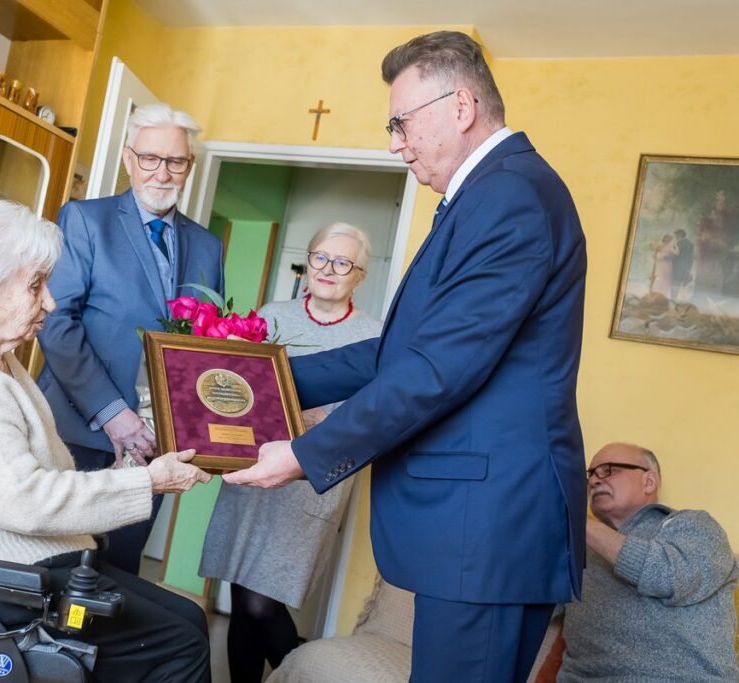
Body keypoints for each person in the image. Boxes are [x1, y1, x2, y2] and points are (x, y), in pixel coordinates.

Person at [226, 30, 588, 683]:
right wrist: (256, 381)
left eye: (401, 122)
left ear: (460, 106)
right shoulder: (486, 196)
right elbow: (400, 353)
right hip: (476, 528)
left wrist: (306, 455)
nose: (394, 143)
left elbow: (437, 370)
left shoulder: (510, 196)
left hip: (487, 526)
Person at [0, 200, 213, 683]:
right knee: (179, 643)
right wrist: (148, 483)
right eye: (36, 285)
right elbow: (24, 500)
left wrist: (129, 471)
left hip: (33, 562)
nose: (52, 303)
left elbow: (38, 478)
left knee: (189, 621)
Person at [37, 102, 224, 575]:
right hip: (77, 433)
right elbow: (57, 324)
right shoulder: (85, 220)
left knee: (120, 576)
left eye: (175, 161)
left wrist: (181, 428)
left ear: (189, 167)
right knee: (56, 569)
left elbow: (204, 348)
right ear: (128, 159)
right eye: (150, 159)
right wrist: (114, 414)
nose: (162, 173)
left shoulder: (208, 246)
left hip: (154, 450)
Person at [200, 223, 382, 681]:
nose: (328, 269)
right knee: (243, 600)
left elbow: (371, 420)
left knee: (263, 603)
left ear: (359, 275)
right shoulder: (269, 317)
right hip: (253, 474)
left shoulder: (374, 334)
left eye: (343, 263)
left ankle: (302, 675)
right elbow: (238, 394)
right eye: (320, 257)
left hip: (309, 483)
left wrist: (306, 422)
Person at [558, 443, 739, 682]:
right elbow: (531, 603)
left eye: (609, 469)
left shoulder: (693, 526)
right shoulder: (574, 549)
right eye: (590, 474)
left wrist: (580, 524)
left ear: (649, 482)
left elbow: (669, 577)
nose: (594, 481)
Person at [649, 233, 677, 298]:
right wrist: (661, 256)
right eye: (671, 240)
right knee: (659, 280)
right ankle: (656, 295)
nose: (671, 242)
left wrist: (666, 256)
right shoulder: (662, 247)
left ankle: (662, 296)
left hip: (666, 266)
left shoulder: (668, 247)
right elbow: (656, 256)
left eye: (671, 240)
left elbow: (674, 255)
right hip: (662, 266)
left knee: (664, 281)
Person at [671, 228, 694, 299]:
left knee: (675, 283)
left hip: (677, 267)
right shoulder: (690, 244)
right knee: (679, 283)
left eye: (676, 235)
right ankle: (675, 298)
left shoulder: (679, 244)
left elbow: (675, 256)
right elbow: (691, 258)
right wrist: (688, 268)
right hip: (685, 268)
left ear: (679, 235)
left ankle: (673, 298)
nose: (676, 237)